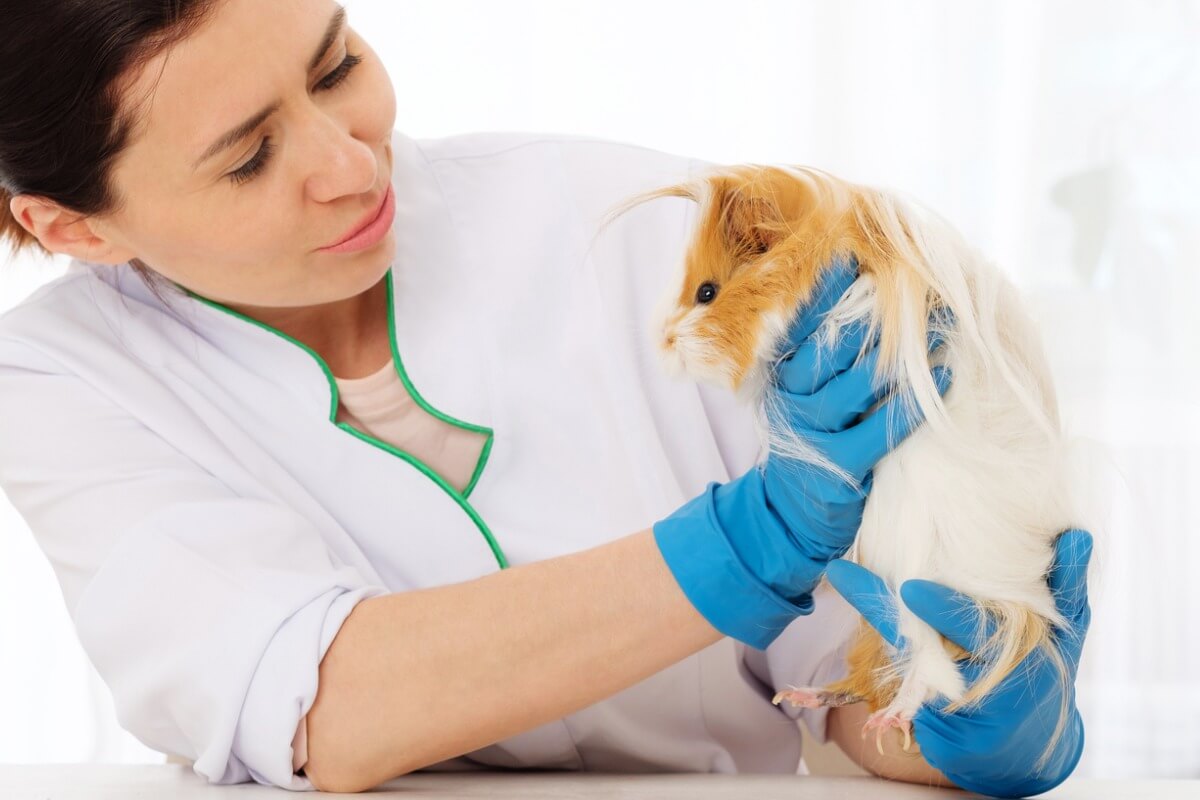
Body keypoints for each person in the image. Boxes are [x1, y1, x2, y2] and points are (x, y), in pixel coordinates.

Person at [0, 0, 1091, 795]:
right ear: (71, 226)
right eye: (248, 158)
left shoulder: (628, 222)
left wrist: (958, 718)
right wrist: (745, 543)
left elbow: (849, 676)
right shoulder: (67, 382)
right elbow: (318, 705)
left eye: (336, 67)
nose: (350, 164)